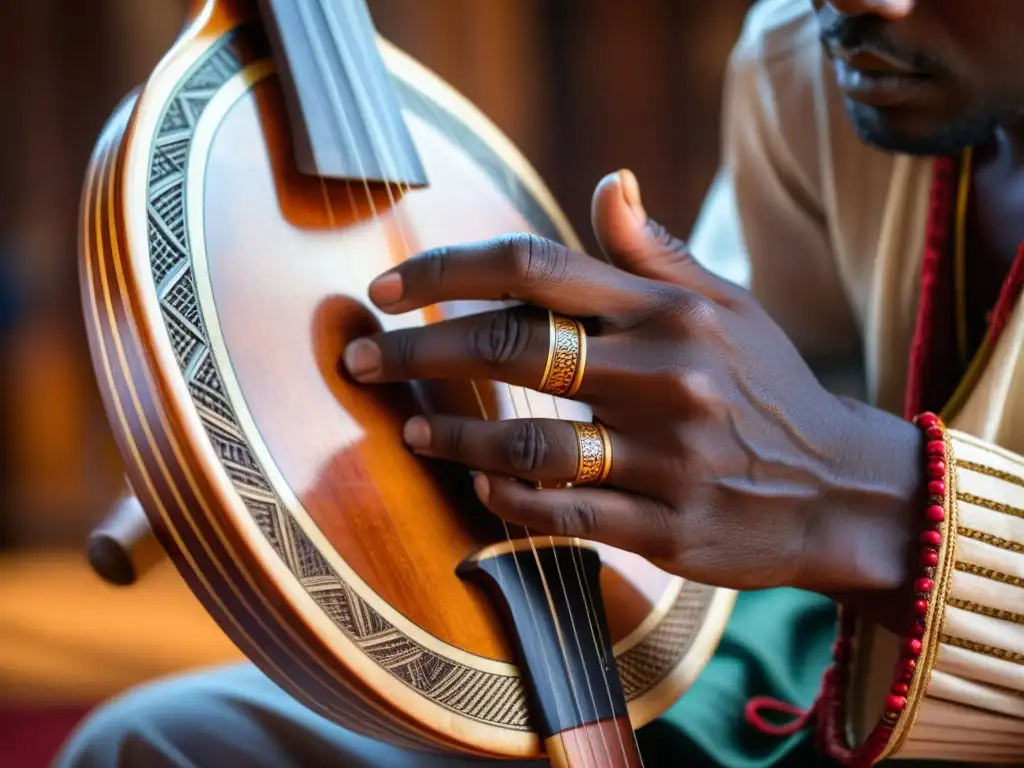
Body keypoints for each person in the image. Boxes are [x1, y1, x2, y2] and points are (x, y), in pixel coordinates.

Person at [56, 0, 1024, 765]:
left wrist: (863, 502)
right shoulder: (804, 71)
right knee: (151, 747)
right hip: (803, 674)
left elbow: (799, 460)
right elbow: (751, 418)